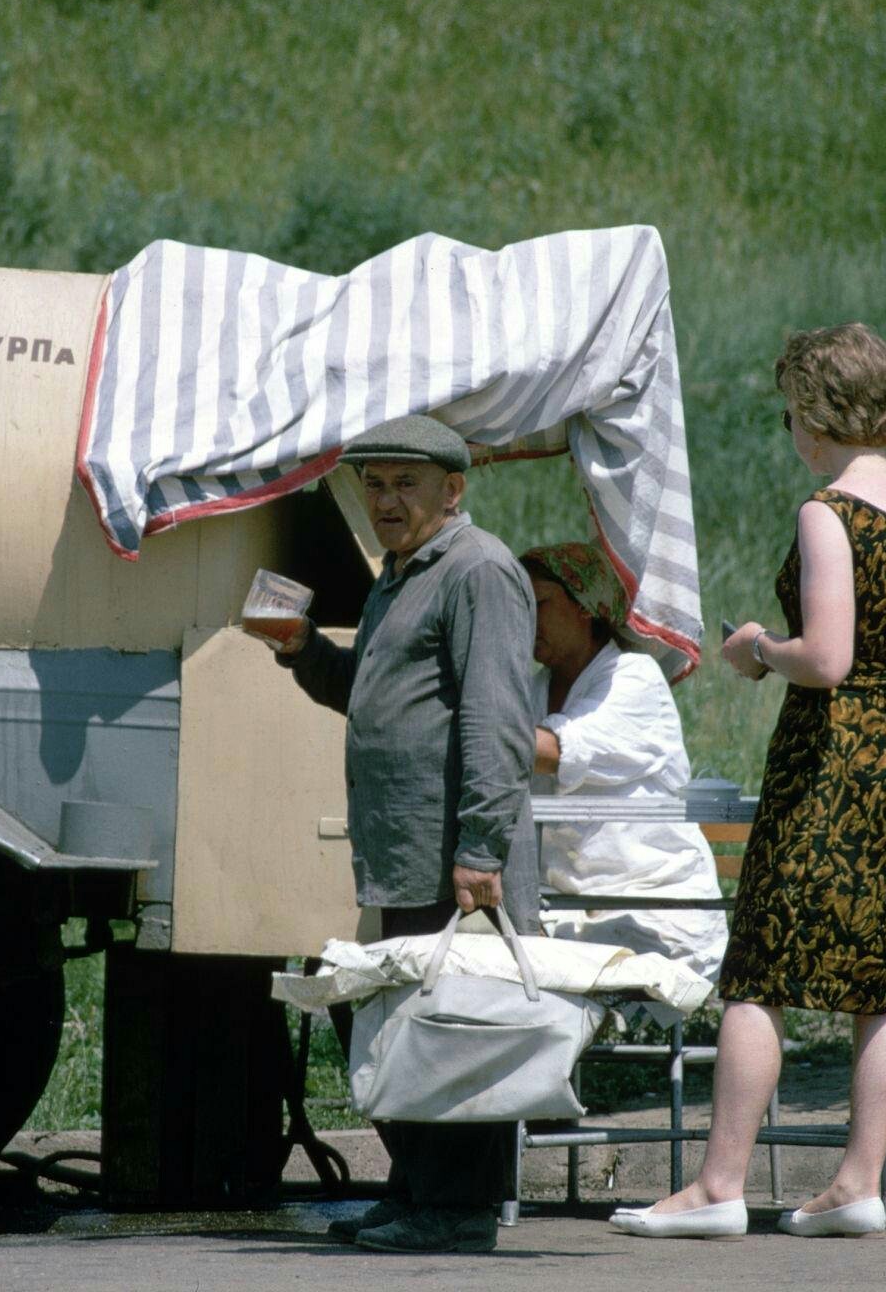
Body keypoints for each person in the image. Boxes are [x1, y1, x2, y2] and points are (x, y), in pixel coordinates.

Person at [612, 323, 886, 1240]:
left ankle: (717, 1185)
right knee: (885, 982)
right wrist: (879, 668)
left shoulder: (828, 511)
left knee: (761, 970)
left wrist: (757, 650)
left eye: (789, 414)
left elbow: (827, 656)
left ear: (814, 416)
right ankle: (859, 1182)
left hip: (833, 760)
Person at [254, 414, 538, 1254]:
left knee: (452, 1028)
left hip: (452, 850)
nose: (385, 499)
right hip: (402, 847)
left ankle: (456, 1209)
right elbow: (370, 695)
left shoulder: (477, 571)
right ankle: (420, 1188)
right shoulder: (399, 573)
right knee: (401, 1022)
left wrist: (481, 847)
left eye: (404, 484)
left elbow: (497, 718)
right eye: (373, 484)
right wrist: (302, 648)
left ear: (453, 491)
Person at [519, 541, 727, 980]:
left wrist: (468, 727)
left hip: (651, 907)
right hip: (566, 908)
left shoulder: (635, 680)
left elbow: (557, 751)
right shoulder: (534, 689)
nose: (527, 618)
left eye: (539, 603)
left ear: (586, 608)